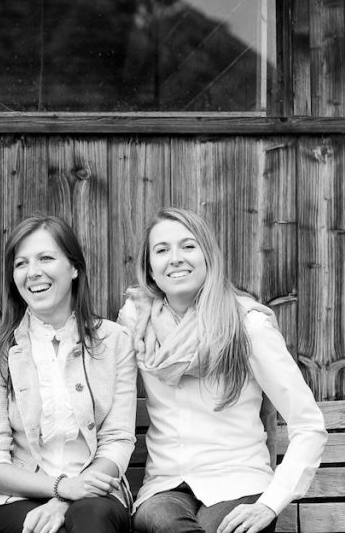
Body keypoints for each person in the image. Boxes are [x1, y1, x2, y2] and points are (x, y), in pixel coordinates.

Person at [118, 207, 327, 533]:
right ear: (150, 268)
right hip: (165, 485)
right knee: (157, 519)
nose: (175, 258)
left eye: (188, 246)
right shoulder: (136, 322)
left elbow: (308, 424)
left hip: (240, 481)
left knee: (225, 528)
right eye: (162, 250)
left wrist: (270, 504)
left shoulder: (246, 325)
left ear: (208, 257)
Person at [0, 215, 135, 533]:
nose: (33, 272)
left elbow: (117, 439)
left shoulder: (114, 341)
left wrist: (69, 495)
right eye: (21, 263)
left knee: (91, 520)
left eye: (46, 258)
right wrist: (62, 488)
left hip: (97, 491)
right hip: (16, 495)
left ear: (74, 268)